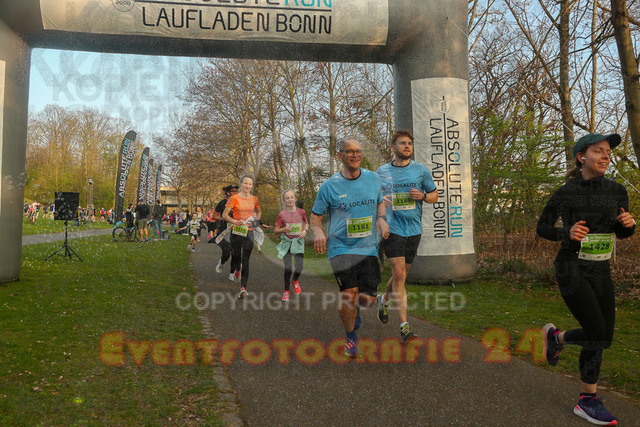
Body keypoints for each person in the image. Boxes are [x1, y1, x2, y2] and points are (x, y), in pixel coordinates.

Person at [537, 133, 635, 426]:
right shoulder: (567, 192)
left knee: (604, 338)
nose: (606, 156)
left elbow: (621, 233)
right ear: (582, 157)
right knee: (595, 333)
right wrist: (565, 233)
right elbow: (542, 227)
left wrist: (628, 225)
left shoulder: (617, 190)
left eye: (608, 152)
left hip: (601, 269)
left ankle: (556, 338)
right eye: (599, 151)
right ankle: (587, 400)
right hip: (571, 266)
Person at [311, 138, 389, 357]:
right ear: (340, 156)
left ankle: (357, 311)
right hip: (340, 247)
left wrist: (381, 219)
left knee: (367, 300)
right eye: (349, 151)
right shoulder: (329, 186)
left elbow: (379, 202)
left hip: (368, 247)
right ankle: (350, 337)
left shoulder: (374, 179)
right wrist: (318, 232)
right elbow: (316, 216)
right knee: (349, 294)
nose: (355, 155)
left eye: (358, 151)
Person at [375, 130, 438, 343]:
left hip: (414, 230)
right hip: (391, 229)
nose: (407, 146)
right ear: (393, 148)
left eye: (409, 143)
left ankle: (384, 300)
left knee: (400, 276)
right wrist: (381, 200)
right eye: (402, 143)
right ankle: (404, 328)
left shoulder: (420, 170)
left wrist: (423, 196)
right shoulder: (381, 172)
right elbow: (373, 197)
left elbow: (435, 195)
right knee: (399, 274)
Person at [222, 176, 261, 299]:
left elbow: (259, 211)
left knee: (246, 260)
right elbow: (224, 215)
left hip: (249, 231)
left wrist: (256, 221)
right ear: (241, 184)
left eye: (250, 184)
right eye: (245, 183)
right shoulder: (234, 198)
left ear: (252, 186)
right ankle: (237, 269)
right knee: (237, 257)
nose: (247, 186)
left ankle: (243, 288)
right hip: (237, 231)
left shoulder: (255, 199)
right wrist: (234, 221)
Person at [274, 189, 308, 301]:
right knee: (287, 268)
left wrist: (305, 231)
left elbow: (306, 223)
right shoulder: (282, 214)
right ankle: (286, 291)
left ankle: (295, 280)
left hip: (298, 242)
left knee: (299, 266)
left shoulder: (301, 212)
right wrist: (283, 229)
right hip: (287, 242)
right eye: (287, 198)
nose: (290, 199)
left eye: (292, 197)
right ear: (284, 201)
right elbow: (276, 230)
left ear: (295, 199)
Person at [212, 185, 238, 273]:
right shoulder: (222, 203)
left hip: (235, 230)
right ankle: (222, 262)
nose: (235, 193)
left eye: (236, 191)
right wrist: (225, 219)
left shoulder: (238, 202)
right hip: (224, 230)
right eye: (233, 191)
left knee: (236, 252)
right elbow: (214, 216)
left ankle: (234, 272)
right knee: (226, 252)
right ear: (227, 193)